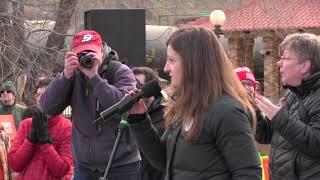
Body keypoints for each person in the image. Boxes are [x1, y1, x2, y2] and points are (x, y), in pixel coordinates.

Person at [127, 26, 261, 180]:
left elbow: (249, 174)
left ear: (194, 64)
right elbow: (164, 161)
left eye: (171, 60)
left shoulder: (227, 112)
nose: (166, 68)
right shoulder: (185, 107)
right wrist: (139, 120)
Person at [39, 30, 140, 179]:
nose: (87, 58)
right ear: (74, 54)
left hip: (121, 165)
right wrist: (65, 76)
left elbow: (124, 106)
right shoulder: (72, 75)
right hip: (84, 167)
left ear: (102, 50)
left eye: (91, 52)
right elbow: (47, 108)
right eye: (82, 54)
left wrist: (95, 77)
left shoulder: (119, 71)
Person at [255, 33, 320, 179]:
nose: (279, 63)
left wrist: (279, 117)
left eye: (285, 58)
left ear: (304, 66)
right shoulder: (292, 95)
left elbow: (316, 143)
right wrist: (255, 112)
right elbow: (267, 136)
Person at [8, 79, 73, 179]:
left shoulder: (67, 127)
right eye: (38, 95)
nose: (39, 99)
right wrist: (30, 141)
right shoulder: (26, 124)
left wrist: (45, 143)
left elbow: (62, 170)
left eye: (45, 95)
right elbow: (14, 165)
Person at [235, 66, 271, 180]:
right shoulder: (226, 110)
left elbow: (266, 139)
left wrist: (256, 111)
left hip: (261, 169)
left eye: (249, 84)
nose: (246, 88)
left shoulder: (263, 108)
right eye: (241, 84)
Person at [132, 66, 165, 180]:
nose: (133, 90)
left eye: (137, 85)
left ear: (150, 90)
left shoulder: (165, 117)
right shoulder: (127, 117)